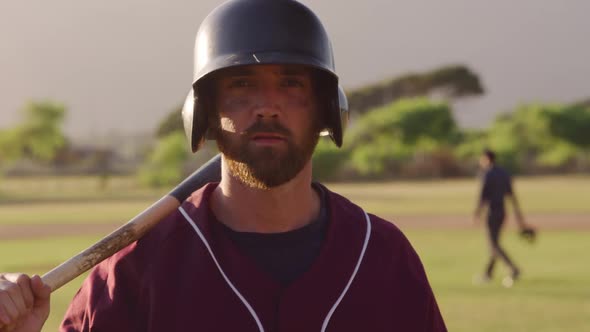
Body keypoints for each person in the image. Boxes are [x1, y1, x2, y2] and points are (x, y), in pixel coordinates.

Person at [0, 0, 447, 331]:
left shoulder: (384, 258)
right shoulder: (133, 273)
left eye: (291, 84)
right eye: (242, 84)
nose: (267, 107)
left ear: (327, 111)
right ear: (205, 113)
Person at [473, 149, 533, 287]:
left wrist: (477, 213)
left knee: (493, 244)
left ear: (486, 159)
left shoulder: (487, 174)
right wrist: (519, 216)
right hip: (502, 212)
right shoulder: (504, 173)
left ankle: (513, 268)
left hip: (492, 212)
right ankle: (487, 274)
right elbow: (512, 195)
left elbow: (483, 197)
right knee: (494, 243)